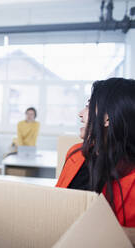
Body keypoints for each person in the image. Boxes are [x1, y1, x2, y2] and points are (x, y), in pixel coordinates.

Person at [56, 78, 135, 227]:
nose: (80, 114)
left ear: (107, 118)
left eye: (88, 106)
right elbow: (55, 205)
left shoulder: (131, 178)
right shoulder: (76, 153)